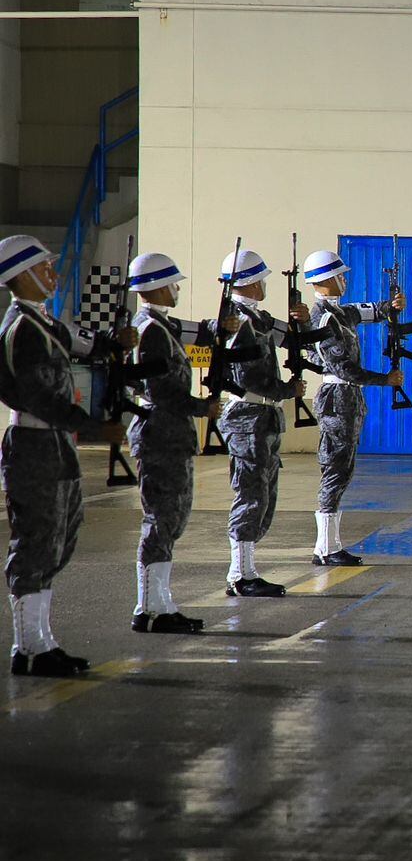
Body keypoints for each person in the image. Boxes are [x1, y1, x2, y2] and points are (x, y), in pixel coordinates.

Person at [0, 234, 134, 675]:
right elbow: (41, 399)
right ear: (20, 276)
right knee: (37, 541)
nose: (53, 274)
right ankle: (28, 648)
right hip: (37, 443)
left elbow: (84, 343)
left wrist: (114, 342)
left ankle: (42, 641)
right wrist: (96, 427)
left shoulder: (43, 322)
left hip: (56, 444)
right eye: (43, 268)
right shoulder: (22, 329)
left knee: (60, 538)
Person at [126, 251, 230, 629]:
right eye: (172, 283)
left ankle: (160, 603)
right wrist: (202, 408)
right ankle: (150, 608)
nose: (176, 289)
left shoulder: (159, 325)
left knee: (171, 519)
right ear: (155, 286)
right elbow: (162, 391)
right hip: (160, 432)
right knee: (160, 519)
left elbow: (202, 329)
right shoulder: (150, 330)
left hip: (170, 433)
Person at [218, 246, 318, 593]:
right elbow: (247, 377)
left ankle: (245, 571)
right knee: (250, 494)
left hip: (263, 416)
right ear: (249, 283)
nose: (265, 286)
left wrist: (301, 318)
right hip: (248, 414)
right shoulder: (237, 322)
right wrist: (285, 390)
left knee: (262, 495)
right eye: (261, 280)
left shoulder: (258, 318)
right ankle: (240, 575)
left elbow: (293, 338)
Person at [302, 248, 412, 564]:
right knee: (335, 469)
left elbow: (374, 311)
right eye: (340, 276)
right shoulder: (323, 318)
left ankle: (331, 544)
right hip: (337, 398)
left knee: (343, 469)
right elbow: (343, 369)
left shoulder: (342, 313)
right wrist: (385, 379)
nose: (345, 280)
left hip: (349, 398)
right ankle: (325, 548)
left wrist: (392, 306)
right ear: (326, 279)